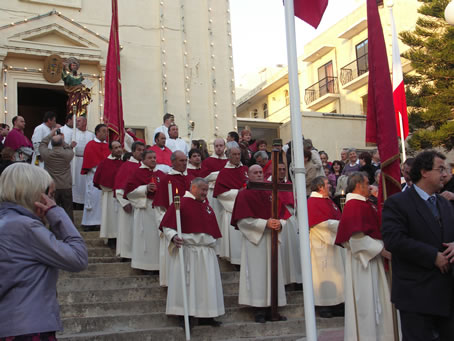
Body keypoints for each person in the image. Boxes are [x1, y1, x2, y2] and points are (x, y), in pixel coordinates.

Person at [0, 163, 88, 340]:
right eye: (50, 195)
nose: (52, 201)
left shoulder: (7, 223)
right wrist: (56, 213)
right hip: (28, 325)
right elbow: (78, 258)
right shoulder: (25, 227)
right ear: (35, 193)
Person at [382, 150, 454, 340]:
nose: (445, 174)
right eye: (441, 169)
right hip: (416, 296)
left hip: (447, 295)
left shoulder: (445, 204)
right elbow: (394, 240)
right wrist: (432, 256)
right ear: (424, 172)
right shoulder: (397, 203)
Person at [335, 172, 393, 341]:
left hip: (372, 258)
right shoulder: (354, 205)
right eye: (367, 183)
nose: (370, 186)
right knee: (368, 302)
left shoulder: (364, 203)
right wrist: (383, 251)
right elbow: (356, 240)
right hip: (364, 263)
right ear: (359, 185)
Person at [160, 178, 225, 326]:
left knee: (207, 285)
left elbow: (213, 232)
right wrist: (174, 236)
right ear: (193, 188)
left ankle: (206, 315)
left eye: (207, 190)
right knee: (187, 285)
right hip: (189, 251)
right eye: (202, 189)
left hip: (207, 252)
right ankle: (185, 316)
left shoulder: (207, 207)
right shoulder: (180, 203)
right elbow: (167, 226)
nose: (205, 193)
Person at [231, 165, 287, 322]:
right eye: (255, 173)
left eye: (261, 172)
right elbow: (243, 221)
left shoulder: (271, 192)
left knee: (273, 274)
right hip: (255, 241)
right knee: (258, 275)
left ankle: (273, 308)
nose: (259, 175)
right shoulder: (244, 195)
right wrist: (265, 224)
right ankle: (259, 310)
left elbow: (283, 215)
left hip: (272, 238)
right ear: (248, 175)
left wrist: (280, 224)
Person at [153, 151, 192, 286]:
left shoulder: (190, 179)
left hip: (189, 225)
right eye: (181, 161)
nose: (184, 163)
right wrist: (169, 230)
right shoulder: (166, 180)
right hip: (173, 225)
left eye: (186, 160)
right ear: (173, 162)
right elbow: (160, 208)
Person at [307, 176, 344, 318]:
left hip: (334, 245)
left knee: (337, 275)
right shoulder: (313, 202)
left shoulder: (328, 201)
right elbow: (320, 224)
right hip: (320, 245)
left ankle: (338, 304)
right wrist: (341, 224)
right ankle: (324, 306)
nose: (330, 186)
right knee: (322, 274)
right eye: (328, 184)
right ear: (320, 187)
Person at [125, 150, 165, 271]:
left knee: (158, 239)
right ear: (143, 160)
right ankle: (144, 265)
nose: (153, 160)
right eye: (150, 158)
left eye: (154, 157)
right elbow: (129, 192)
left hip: (158, 209)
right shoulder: (137, 173)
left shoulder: (161, 174)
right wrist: (145, 189)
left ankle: (158, 266)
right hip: (145, 209)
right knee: (145, 239)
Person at [213, 146, 248, 265]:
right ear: (228, 156)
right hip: (231, 210)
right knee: (235, 240)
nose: (237, 157)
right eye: (234, 154)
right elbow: (221, 194)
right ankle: (236, 262)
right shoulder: (224, 172)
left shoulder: (246, 170)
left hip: (248, 210)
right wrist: (239, 193)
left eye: (239, 154)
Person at [113, 141, 145, 259]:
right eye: (139, 150)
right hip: (128, 204)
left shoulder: (143, 166)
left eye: (143, 150)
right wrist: (124, 202)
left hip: (141, 205)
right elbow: (119, 187)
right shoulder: (126, 166)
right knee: (127, 230)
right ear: (132, 151)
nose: (141, 152)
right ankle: (126, 253)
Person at [39, 127, 76, 221]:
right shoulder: (68, 154)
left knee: (53, 209)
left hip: (52, 185)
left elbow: (43, 143)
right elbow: (68, 148)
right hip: (65, 185)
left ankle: (54, 226)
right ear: (62, 143)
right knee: (68, 208)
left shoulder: (47, 154)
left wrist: (52, 133)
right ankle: (69, 227)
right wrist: (63, 140)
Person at [93, 140, 124, 248]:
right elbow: (98, 179)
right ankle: (112, 238)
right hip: (109, 194)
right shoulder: (104, 163)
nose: (119, 149)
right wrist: (109, 187)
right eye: (115, 148)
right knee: (110, 217)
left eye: (120, 147)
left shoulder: (126, 162)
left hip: (123, 196)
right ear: (111, 150)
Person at [80, 124, 110, 230]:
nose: (106, 133)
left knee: (102, 201)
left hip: (105, 179)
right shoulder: (90, 145)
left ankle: (99, 222)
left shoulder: (108, 146)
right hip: (93, 177)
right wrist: (97, 171)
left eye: (106, 131)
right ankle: (88, 223)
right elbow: (89, 161)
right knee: (92, 199)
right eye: (103, 131)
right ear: (97, 132)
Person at [201, 138, 228, 236]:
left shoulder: (229, 161)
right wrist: (221, 175)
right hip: (212, 193)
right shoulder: (208, 161)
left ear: (225, 147)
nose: (219, 148)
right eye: (217, 146)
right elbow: (204, 177)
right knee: (215, 216)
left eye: (221, 146)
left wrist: (217, 175)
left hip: (226, 194)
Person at [72, 116, 95, 206]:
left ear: (85, 122)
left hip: (87, 161)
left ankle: (86, 202)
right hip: (75, 161)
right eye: (76, 121)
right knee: (76, 183)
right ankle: (76, 202)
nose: (77, 123)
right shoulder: (73, 134)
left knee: (85, 183)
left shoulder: (91, 135)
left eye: (79, 121)